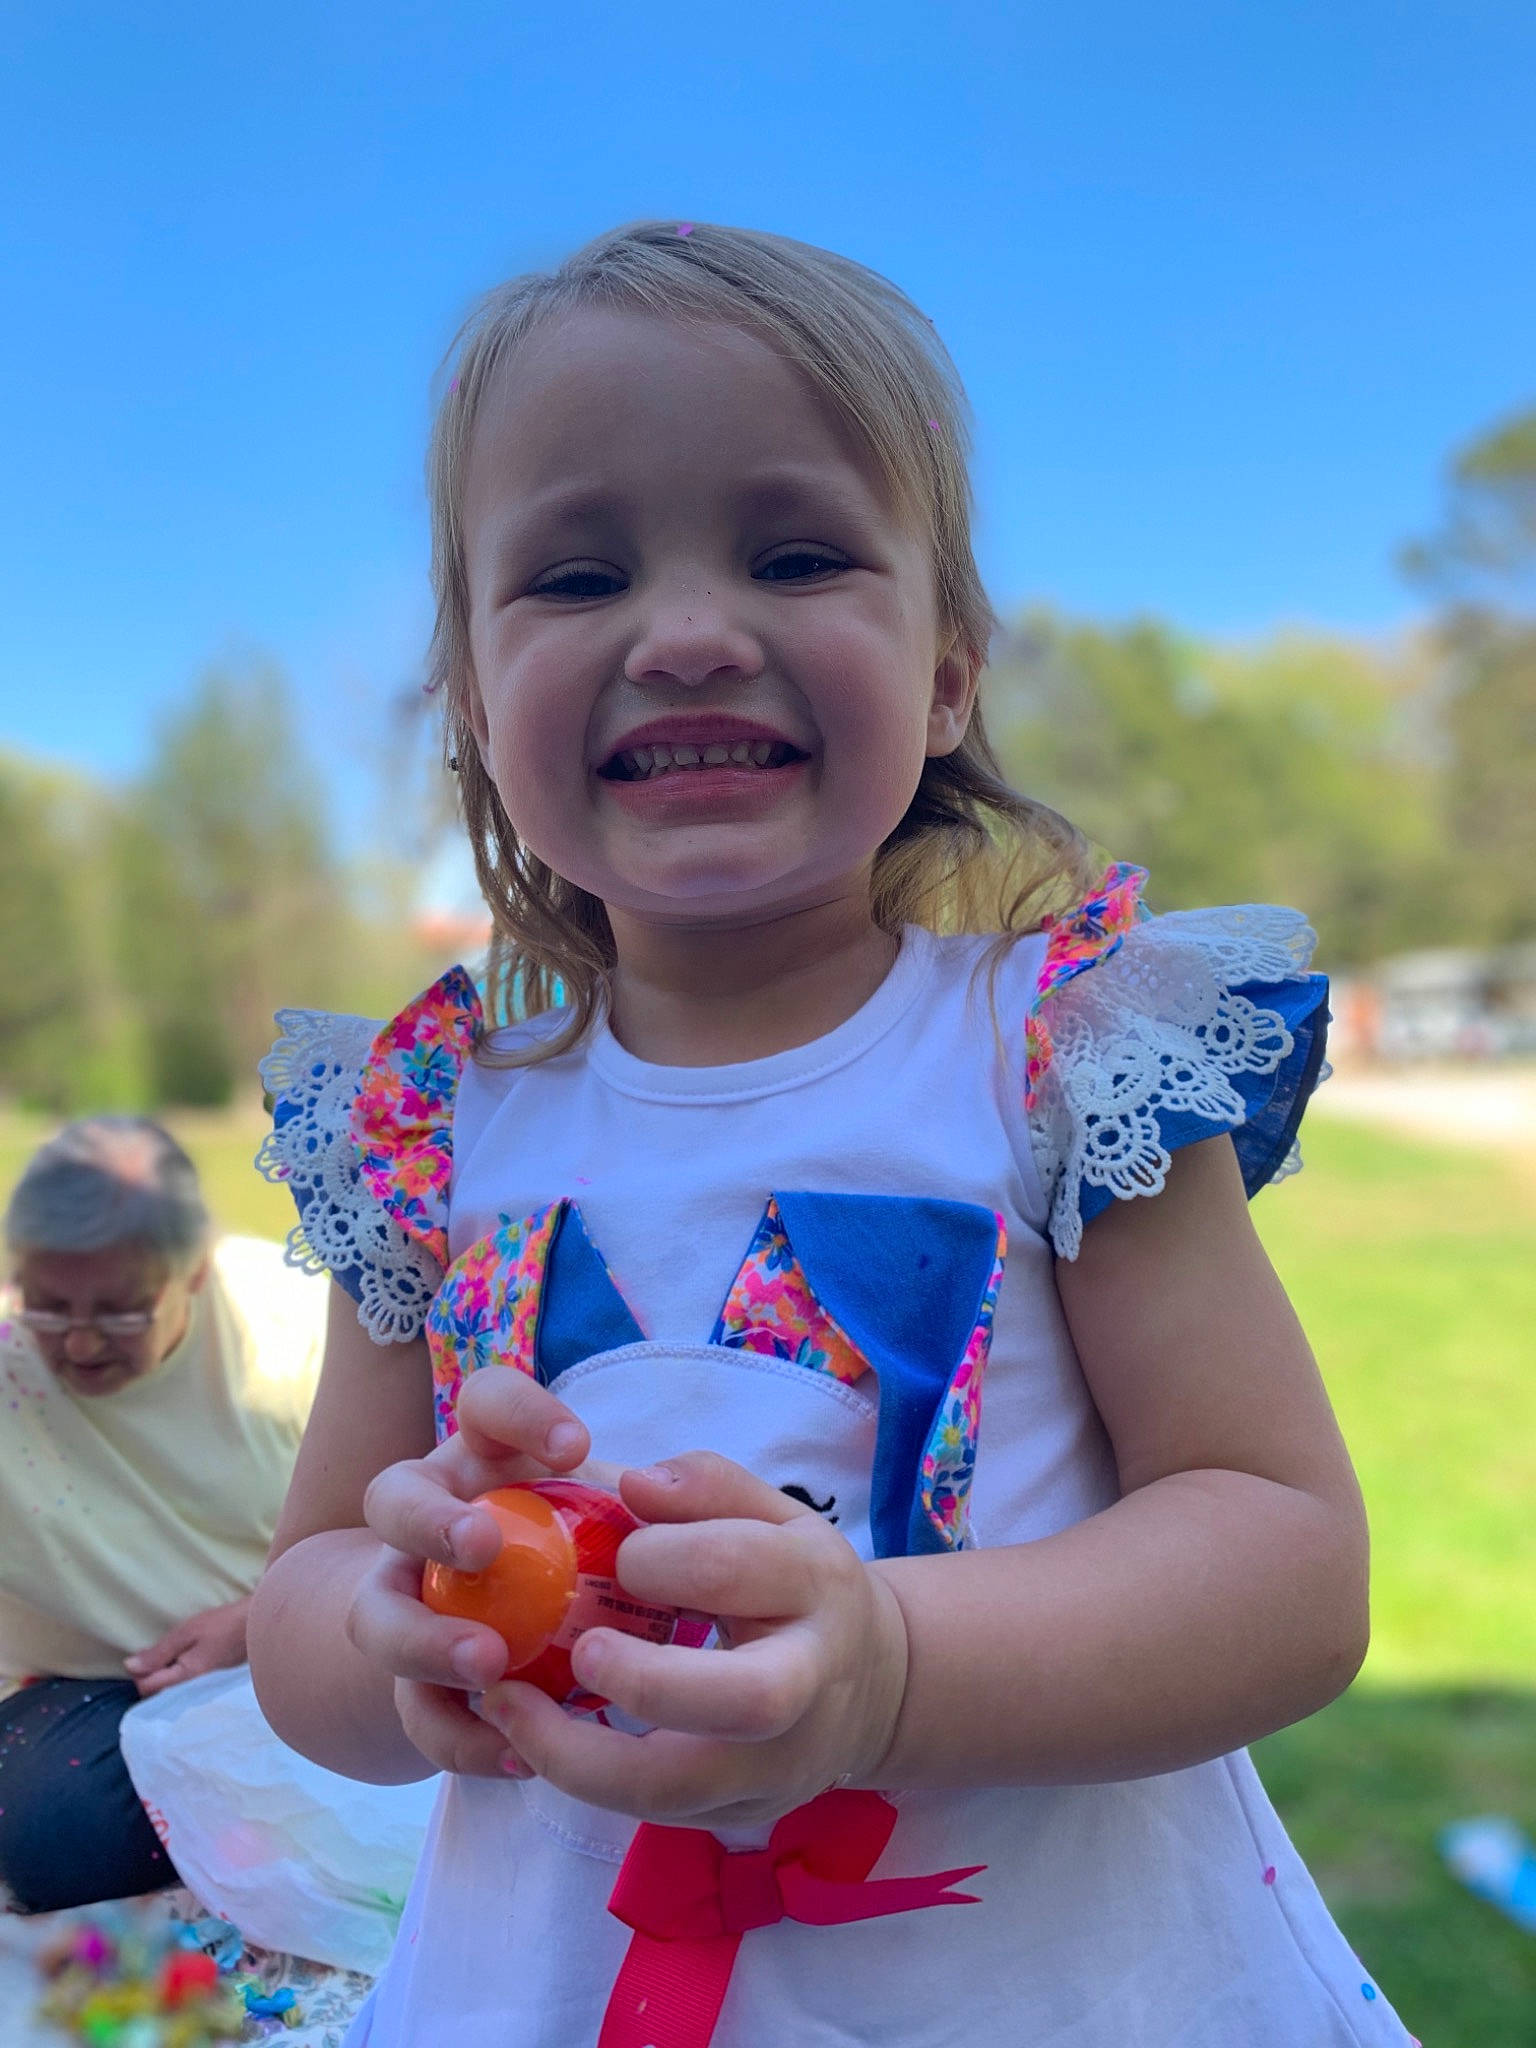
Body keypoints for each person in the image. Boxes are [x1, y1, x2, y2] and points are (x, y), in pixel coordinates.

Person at [248, 221, 1416, 2046]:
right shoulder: (424, 1126)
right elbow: (303, 1608)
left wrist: (891, 1665)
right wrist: (390, 1620)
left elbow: (1283, 1558)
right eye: (575, 574)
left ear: (947, 669)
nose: (692, 632)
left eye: (795, 555)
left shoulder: (1060, 1050)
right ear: (472, 703)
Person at [0, 1116, 325, 1914]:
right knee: (39, 1825)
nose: (77, 1344)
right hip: (105, 1698)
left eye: (119, 1313)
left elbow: (399, 1521)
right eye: (48, 1306)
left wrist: (261, 1623)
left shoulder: (293, 1327)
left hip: (299, 1661)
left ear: (193, 1276)